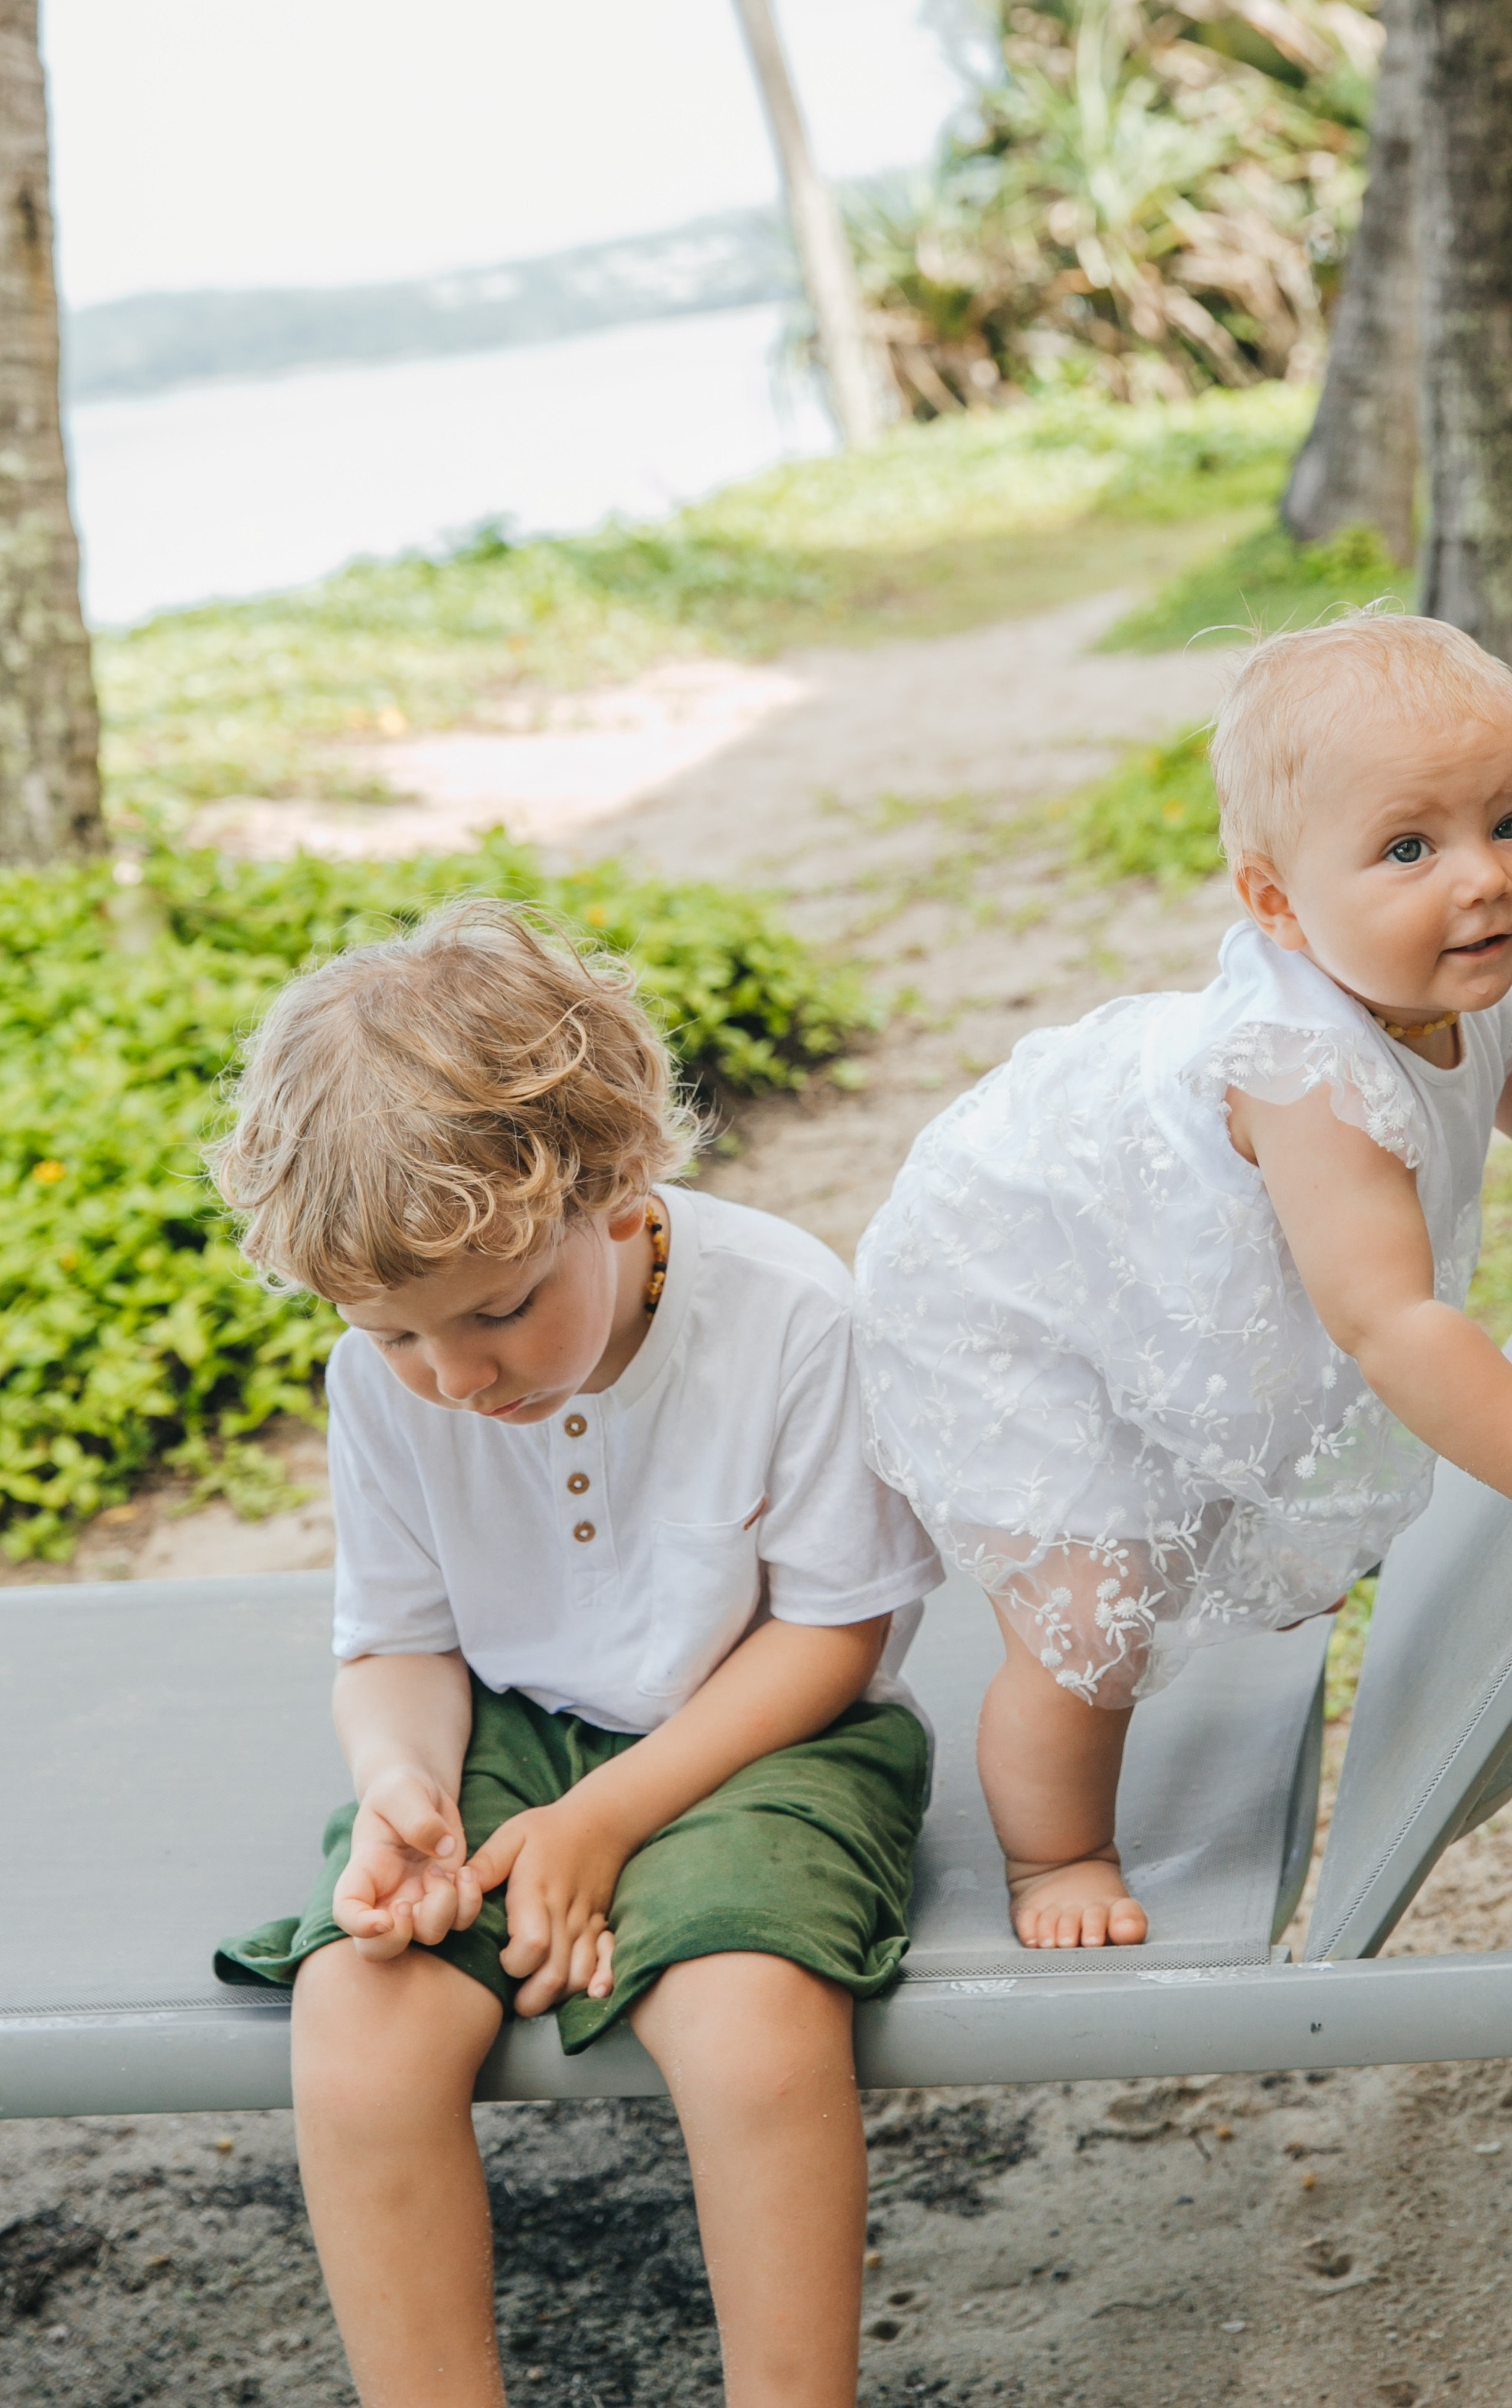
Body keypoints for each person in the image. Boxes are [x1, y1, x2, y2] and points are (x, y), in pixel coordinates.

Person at [857, 611, 1512, 1955]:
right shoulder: (1309, 1074)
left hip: (1129, 1267)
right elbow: (1388, 1321)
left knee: (1179, 1489)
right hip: (1012, 1294)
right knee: (1091, 1612)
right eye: (1410, 848)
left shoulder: (1457, 982)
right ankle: (1056, 1852)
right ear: (1277, 905)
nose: (1483, 881)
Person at [208, 902, 942, 2408]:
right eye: (399, 1337)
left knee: (744, 2022)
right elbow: (397, 1644)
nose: (454, 1379)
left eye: (496, 1313)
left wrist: (609, 1821)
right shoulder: (389, 1375)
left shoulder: (787, 1314)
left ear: (618, 1187)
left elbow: (833, 1630)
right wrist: (404, 1779)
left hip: (769, 1728)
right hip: (509, 1729)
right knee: (361, 2011)